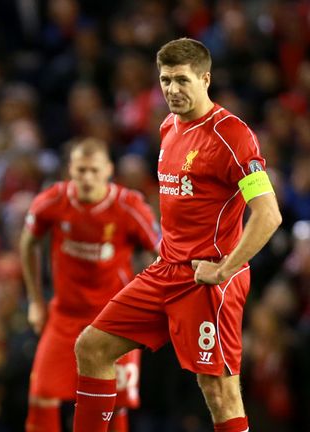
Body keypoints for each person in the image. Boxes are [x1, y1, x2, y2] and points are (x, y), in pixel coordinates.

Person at [71, 38, 282, 432]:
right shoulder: (169, 126)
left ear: (205, 79)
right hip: (165, 271)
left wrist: (224, 270)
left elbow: (268, 216)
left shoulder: (233, 136)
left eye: (182, 80)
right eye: (165, 80)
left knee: (219, 391)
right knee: (92, 347)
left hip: (209, 279)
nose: (172, 90)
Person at [20, 138, 159, 432]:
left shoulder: (128, 206)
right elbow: (28, 242)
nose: (87, 178)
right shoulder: (52, 201)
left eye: (94, 171)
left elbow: (162, 252)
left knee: (112, 406)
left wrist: (147, 304)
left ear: (108, 170)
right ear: (70, 168)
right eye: (81, 170)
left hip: (113, 321)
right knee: (41, 396)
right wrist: (35, 300)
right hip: (65, 315)